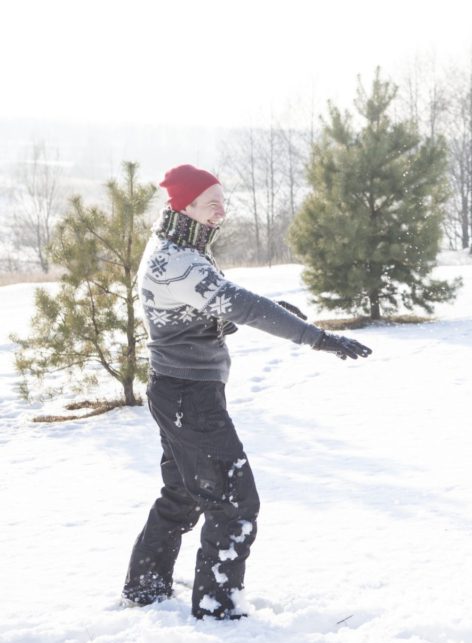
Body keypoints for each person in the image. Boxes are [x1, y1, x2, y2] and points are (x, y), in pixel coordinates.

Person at [122, 164, 373, 619]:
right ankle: (218, 609)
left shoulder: (180, 248)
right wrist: (314, 336)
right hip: (188, 397)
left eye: (223, 201)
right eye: (212, 202)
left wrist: (276, 311)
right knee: (234, 503)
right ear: (185, 206)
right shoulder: (174, 260)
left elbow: (204, 317)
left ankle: (145, 588)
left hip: (181, 393)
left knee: (182, 493)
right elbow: (237, 303)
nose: (222, 211)